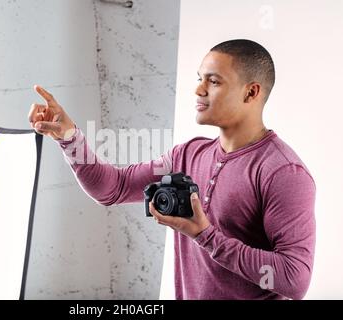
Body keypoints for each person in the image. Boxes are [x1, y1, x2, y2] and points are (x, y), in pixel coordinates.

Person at [28, 39, 316, 300]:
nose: (198, 89)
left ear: (251, 92)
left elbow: (295, 279)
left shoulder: (283, 172)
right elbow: (111, 189)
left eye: (213, 81)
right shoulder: (188, 155)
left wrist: (206, 236)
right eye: (199, 79)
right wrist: (69, 138)